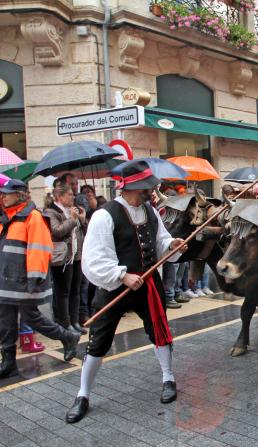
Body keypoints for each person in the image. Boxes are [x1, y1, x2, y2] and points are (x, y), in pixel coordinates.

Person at [66, 160, 187, 423]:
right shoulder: (105, 215)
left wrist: (171, 245)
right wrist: (122, 275)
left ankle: (168, 378)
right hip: (114, 287)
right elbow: (95, 258)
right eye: (146, 188)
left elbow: (160, 240)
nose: (151, 192)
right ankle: (83, 394)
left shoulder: (150, 211)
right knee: (98, 341)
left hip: (148, 285)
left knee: (159, 330)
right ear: (131, 188)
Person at [0, 180, 80, 379]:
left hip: (24, 281)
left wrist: (34, 279)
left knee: (31, 317)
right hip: (7, 281)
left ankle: (68, 337)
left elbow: (40, 249)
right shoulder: (7, 217)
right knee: (5, 321)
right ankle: (8, 362)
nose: (2, 196)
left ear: (20, 195)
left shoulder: (33, 217)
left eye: (6, 193)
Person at [43, 185, 87, 335]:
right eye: (69, 195)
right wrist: (73, 219)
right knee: (63, 292)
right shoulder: (51, 212)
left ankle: (74, 322)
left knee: (76, 290)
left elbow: (84, 231)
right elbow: (57, 231)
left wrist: (82, 220)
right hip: (62, 258)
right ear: (59, 197)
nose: (73, 197)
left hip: (76, 255)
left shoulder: (73, 210)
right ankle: (64, 323)